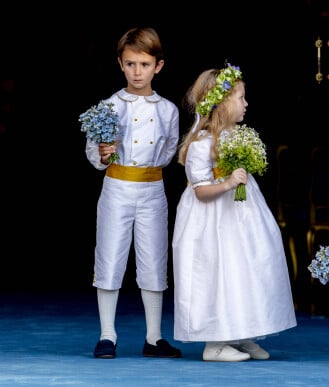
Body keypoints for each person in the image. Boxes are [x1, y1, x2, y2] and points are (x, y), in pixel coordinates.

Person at [172, 63, 297, 362]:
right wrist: (228, 183)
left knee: (246, 269)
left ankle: (243, 332)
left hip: (240, 216)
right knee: (218, 273)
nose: (246, 103)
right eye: (240, 97)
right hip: (212, 222)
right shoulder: (202, 145)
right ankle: (214, 342)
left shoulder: (235, 136)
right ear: (222, 103)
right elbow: (201, 191)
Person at [85, 27, 182, 359]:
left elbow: (169, 150)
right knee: (110, 256)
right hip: (117, 187)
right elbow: (93, 150)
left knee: (154, 258)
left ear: (158, 66)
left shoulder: (168, 110)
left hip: (152, 189)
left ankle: (154, 337)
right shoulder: (110, 106)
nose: (137, 72)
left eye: (144, 64)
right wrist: (101, 154)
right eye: (130, 64)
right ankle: (107, 334)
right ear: (120, 65)